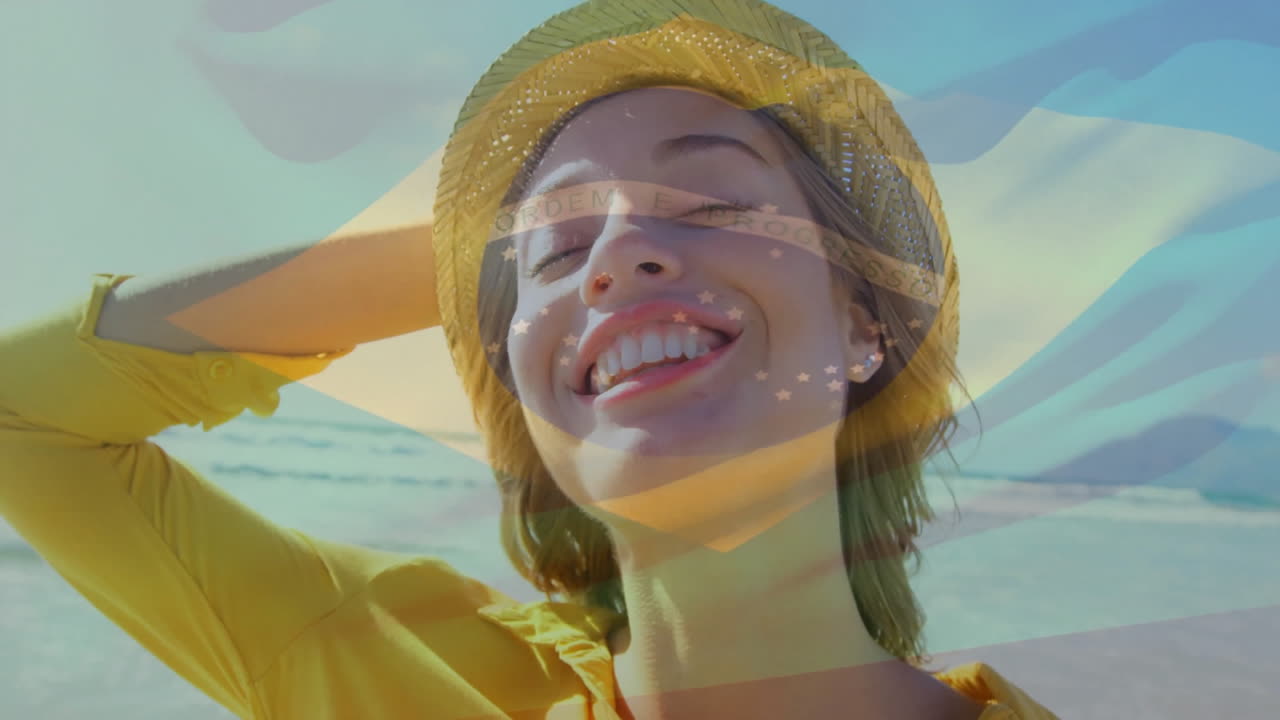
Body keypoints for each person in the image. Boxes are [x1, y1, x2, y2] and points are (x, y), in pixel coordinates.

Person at [0, 1, 1059, 718]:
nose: (613, 259)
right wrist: (478, 259)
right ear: (528, 399)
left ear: (867, 324)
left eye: (714, 202)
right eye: (558, 249)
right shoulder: (404, 672)